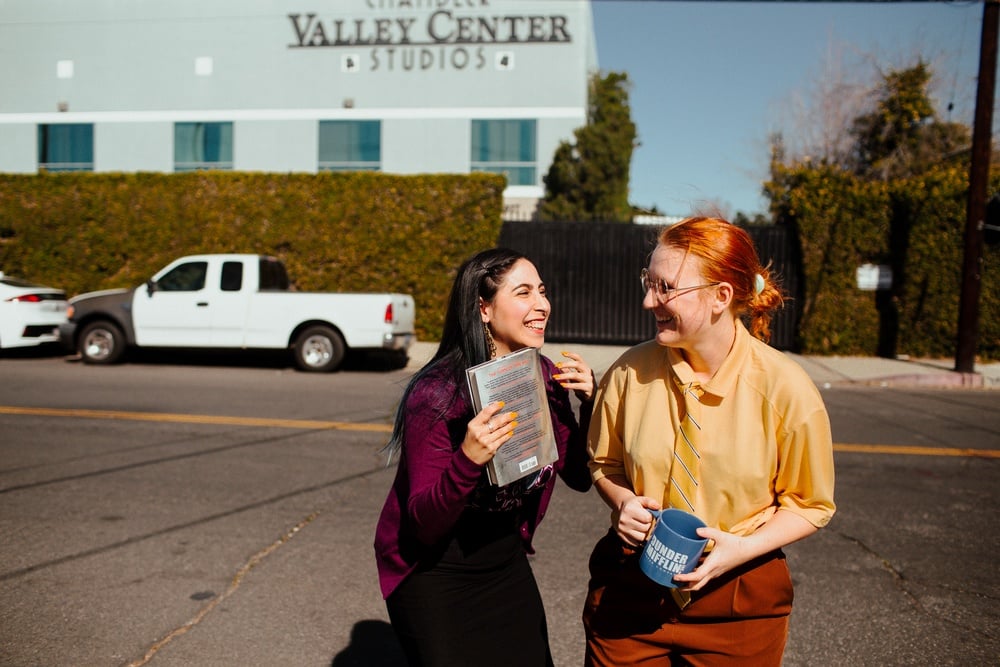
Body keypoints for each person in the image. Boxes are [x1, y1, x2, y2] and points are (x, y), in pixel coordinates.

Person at [583, 217, 836, 666]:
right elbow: (604, 463)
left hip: (739, 605)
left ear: (721, 296)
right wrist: (621, 501)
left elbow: (810, 504)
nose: (648, 301)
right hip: (630, 593)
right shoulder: (627, 373)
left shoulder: (786, 388)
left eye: (666, 288)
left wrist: (739, 549)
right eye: (648, 282)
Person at [374, 247, 596, 667]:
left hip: (504, 562)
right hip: (434, 574)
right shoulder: (437, 394)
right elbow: (423, 524)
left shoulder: (544, 374)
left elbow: (580, 476)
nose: (542, 305)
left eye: (543, 292)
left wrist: (589, 404)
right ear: (484, 309)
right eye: (524, 293)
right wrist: (469, 459)